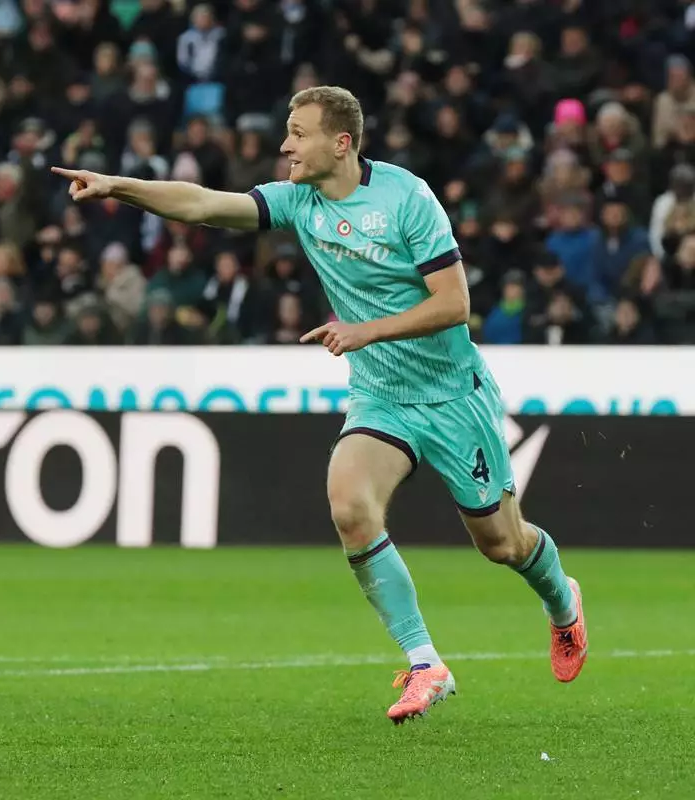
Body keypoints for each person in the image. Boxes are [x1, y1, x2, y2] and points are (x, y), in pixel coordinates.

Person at [52, 85, 588, 724]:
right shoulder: (298, 202)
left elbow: (454, 305)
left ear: (341, 142)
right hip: (381, 398)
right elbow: (199, 204)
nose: (284, 146)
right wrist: (118, 185)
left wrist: (364, 330)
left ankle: (563, 603)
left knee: (501, 543)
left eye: (298, 134)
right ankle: (426, 664)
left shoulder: (408, 198)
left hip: (451, 397)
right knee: (350, 507)